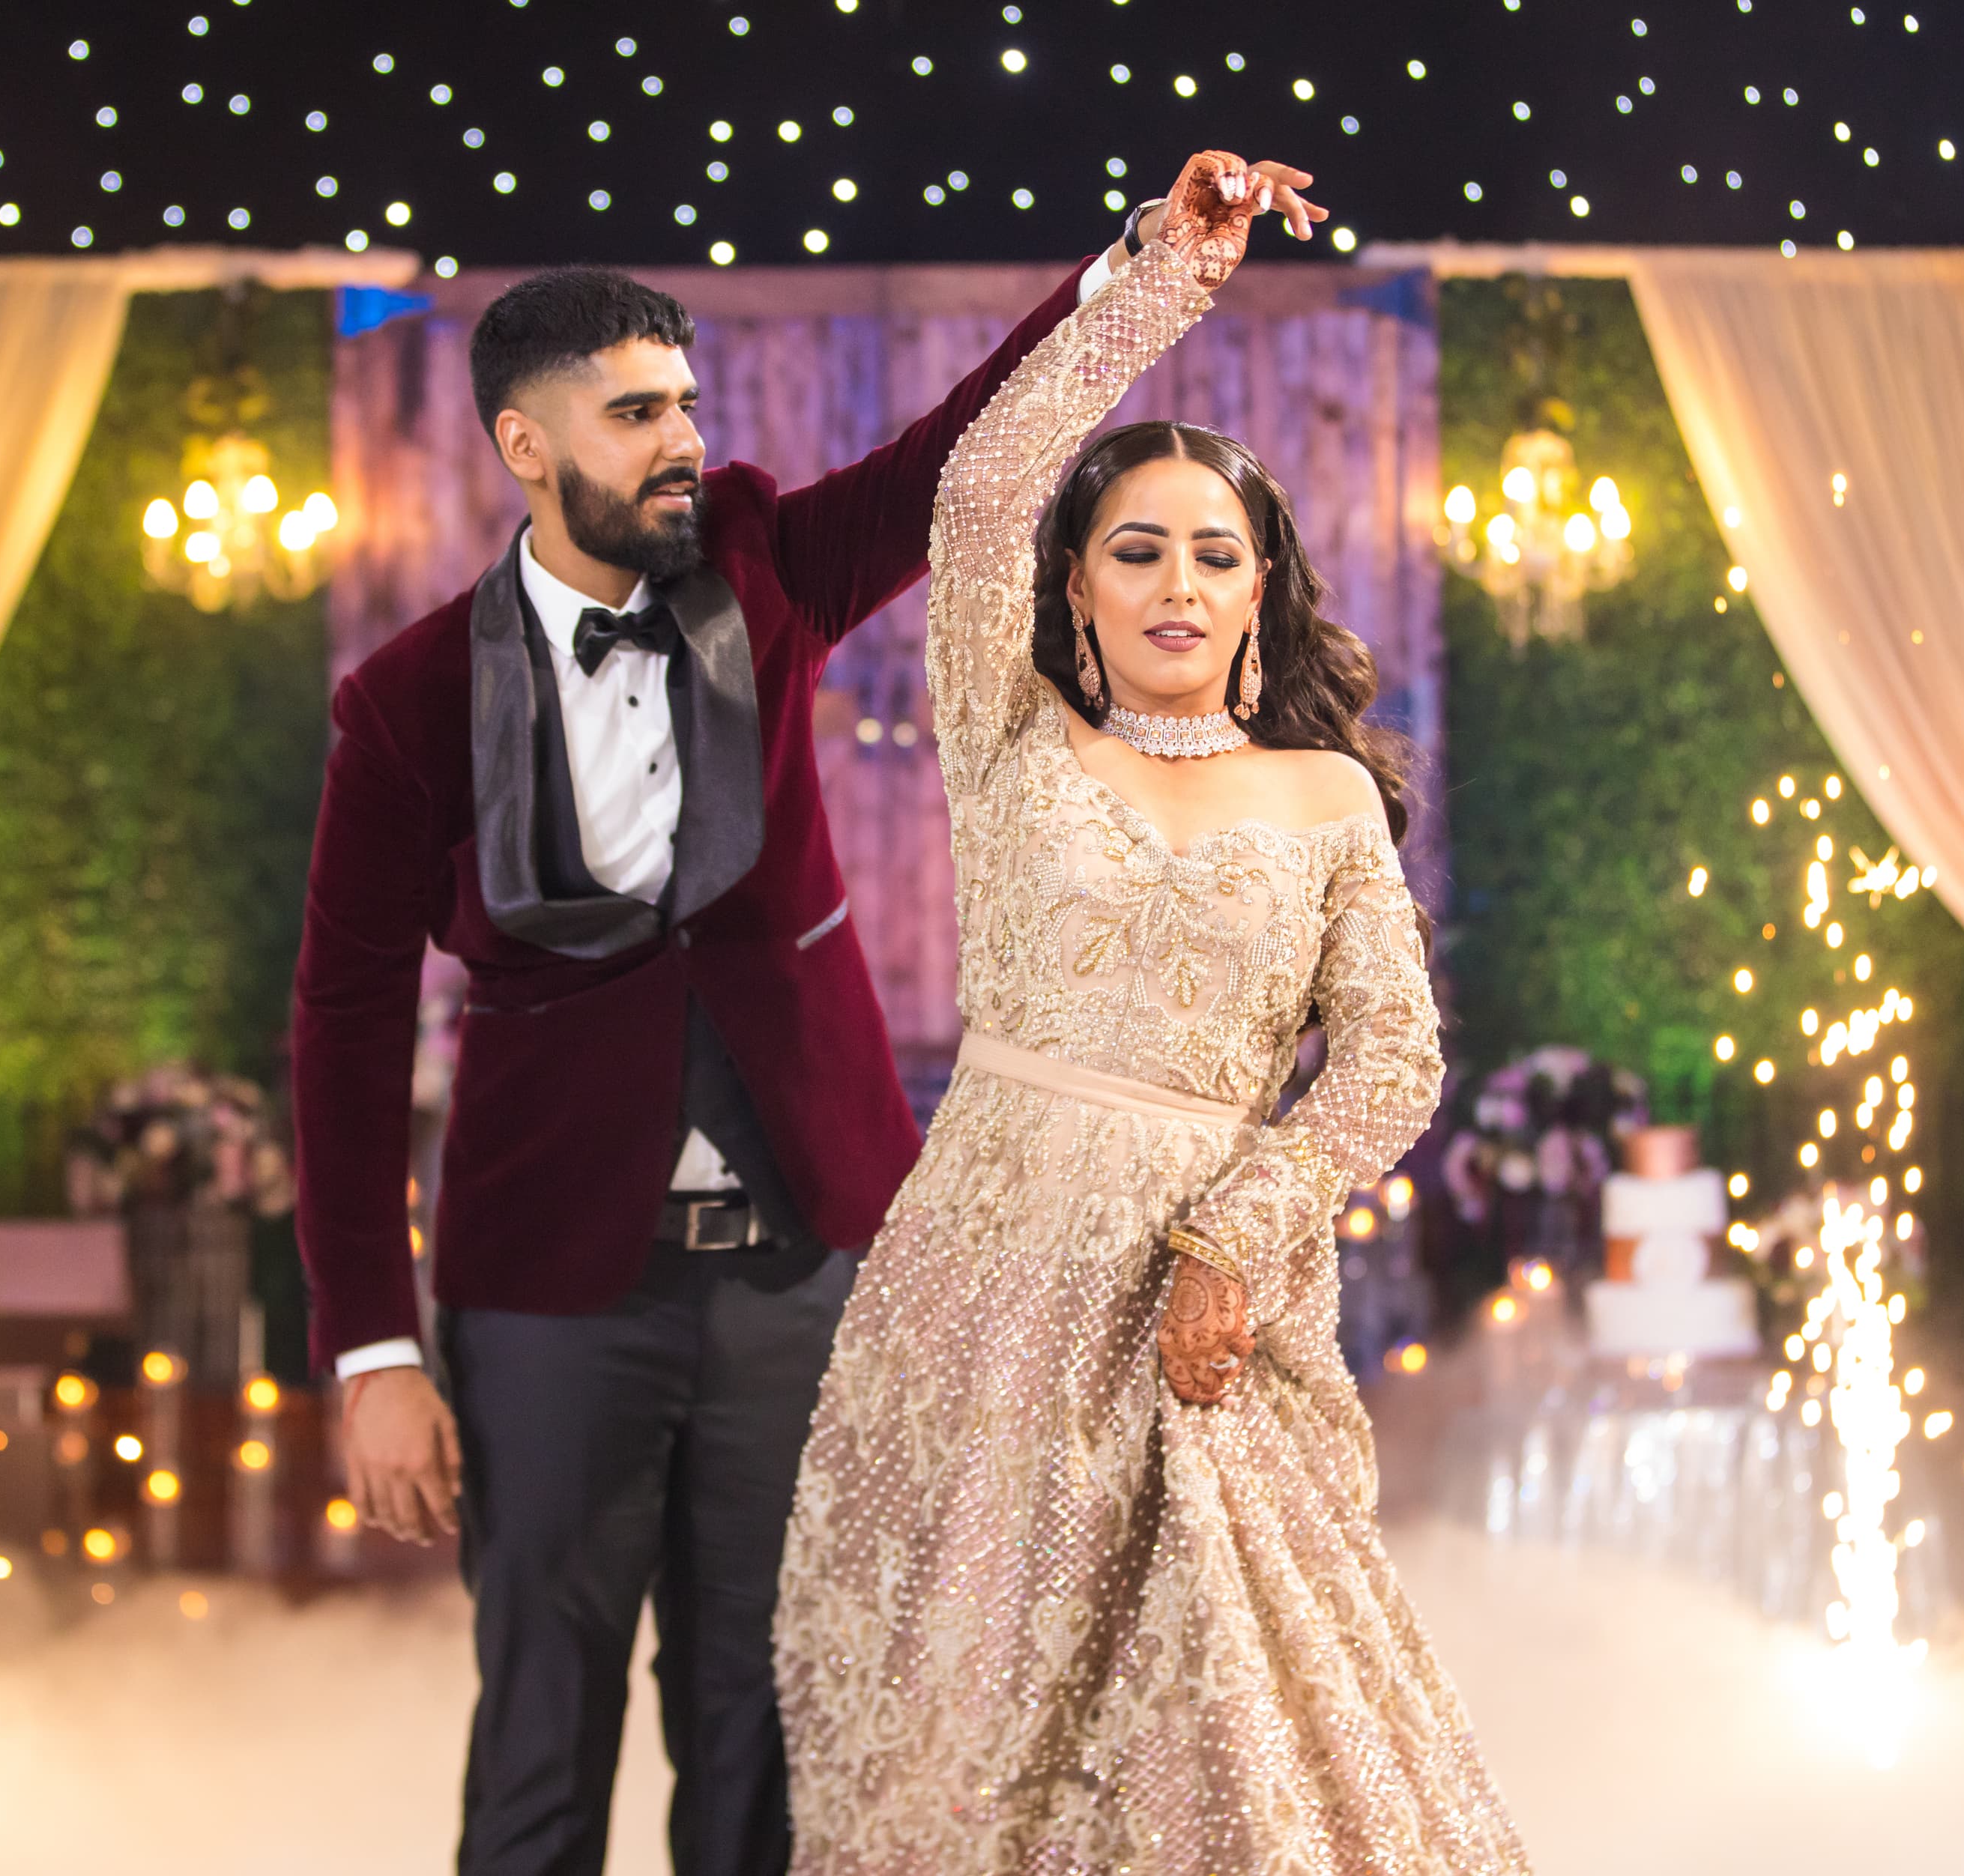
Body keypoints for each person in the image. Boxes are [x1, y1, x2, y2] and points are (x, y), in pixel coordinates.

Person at [289, 221, 1146, 1874]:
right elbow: (343, 1027)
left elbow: (964, 453)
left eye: (684, 401)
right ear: (526, 445)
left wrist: (1139, 270)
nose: (681, 438)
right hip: (548, 1290)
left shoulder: (762, 566)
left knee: (770, 1734)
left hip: (800, 1271)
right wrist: (373, 1348)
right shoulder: (404, 701)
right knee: (540, 1735)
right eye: (634, 413)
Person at [772, 153, 1528, 1872]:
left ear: (1260, 590)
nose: (1177, 580)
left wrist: (1235, 1230)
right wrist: (1161, 277)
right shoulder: (1014, 737)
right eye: (1136, 549)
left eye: (1214, 551)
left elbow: (1392, 1058)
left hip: (1204, 1298)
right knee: (970, 1733)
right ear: (1079, 588)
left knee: (1226, 1722)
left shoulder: (1324, 798)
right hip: (989, 1281)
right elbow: (980, 491)